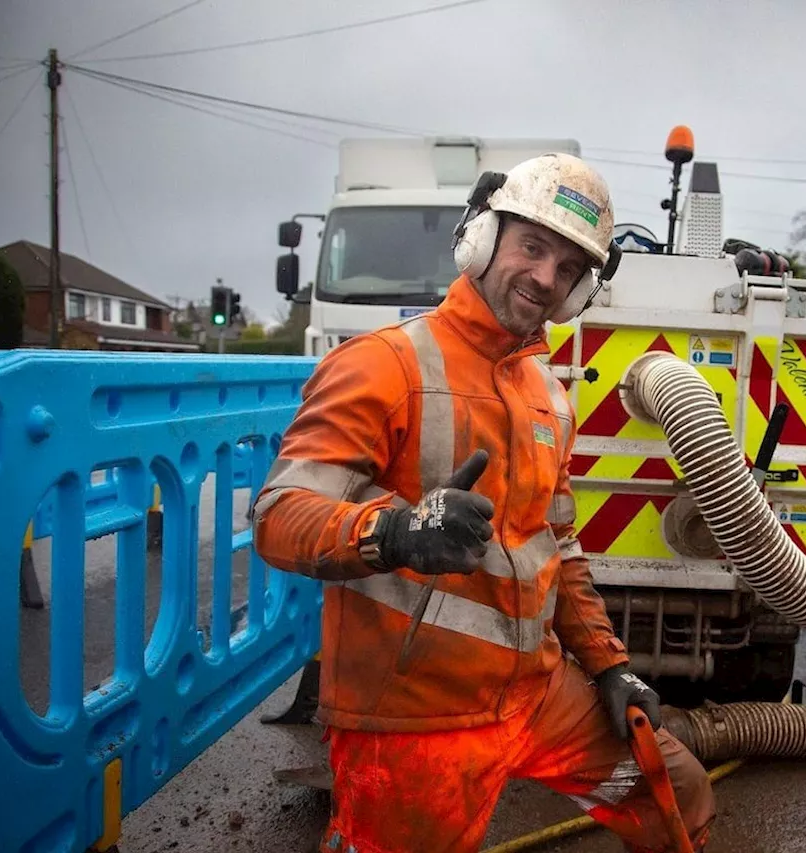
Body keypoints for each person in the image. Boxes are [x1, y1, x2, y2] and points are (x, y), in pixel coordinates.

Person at [252, 152, 715, 853]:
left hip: (538, 700)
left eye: (567, 269)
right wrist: (397, 531)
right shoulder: (382, 364)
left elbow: (558, 549)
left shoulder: (549, 397)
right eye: (532, 246)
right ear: (481, 237)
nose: (544, 278)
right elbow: (278, 517)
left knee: (672, 793)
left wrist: (610, 665)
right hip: (414, 719)